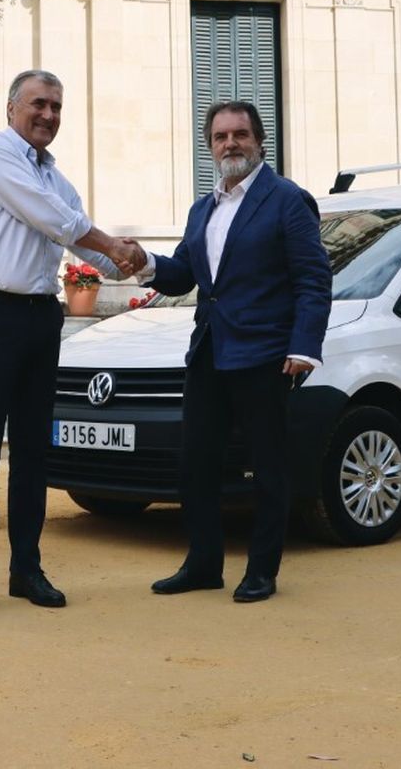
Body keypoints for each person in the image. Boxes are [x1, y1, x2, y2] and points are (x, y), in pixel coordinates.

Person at [0, 69, 145, 621]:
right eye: (38, 104)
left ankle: (26, 570)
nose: (48, 115)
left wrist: (152, 265)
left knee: (34, 451)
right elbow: (53, 218)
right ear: (12, 108)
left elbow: (97, 252)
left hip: (39, 317)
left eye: (56, 107)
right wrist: (110, 244)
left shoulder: (57, 179)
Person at [137, 100, 332, 603]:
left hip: (266, 354)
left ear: (259, 141)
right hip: (209, 352)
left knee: (267, 467)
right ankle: (203, 564)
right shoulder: (202, 209)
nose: (230, 144)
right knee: (196, 464)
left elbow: (313, 279)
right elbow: (184, 274)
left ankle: (262, 571)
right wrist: (142, 262)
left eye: (240, 134)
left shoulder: (287, 199)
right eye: (220, 137)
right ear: (210, 146)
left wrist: (304, 346)